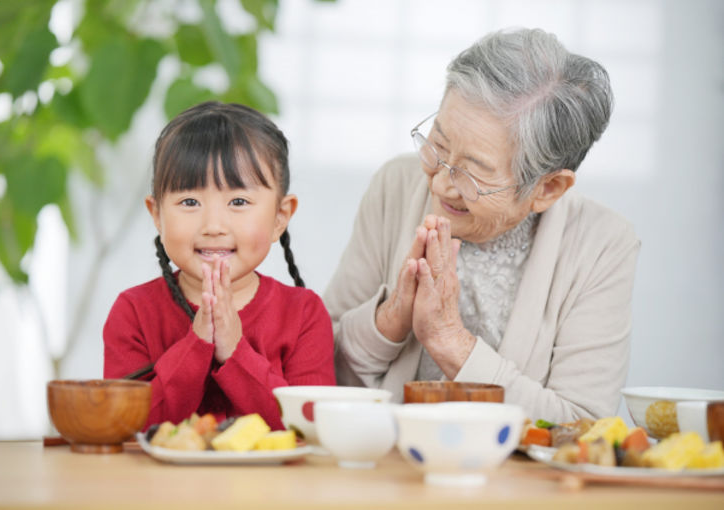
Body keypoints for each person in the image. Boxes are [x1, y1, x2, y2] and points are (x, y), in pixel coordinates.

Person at [323, 28, 640, 423]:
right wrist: (390, 319)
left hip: (518, 483)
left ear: (548, 187)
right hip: (386, 465)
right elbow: (317, 368)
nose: (438, 184)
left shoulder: (603, 244)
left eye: (471, 175)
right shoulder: (396, 186)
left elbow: (579, 423)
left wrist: (449, 341)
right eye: (437, 146)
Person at [104, 101, 336, 430]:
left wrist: (235, 351)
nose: (213, 225)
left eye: (238, 202)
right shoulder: (133, 313)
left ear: (280, 217)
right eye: (189, 202)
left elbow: (313, 427)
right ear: (157, 215)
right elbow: (126, 425)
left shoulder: (304, 314)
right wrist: (197, 344)